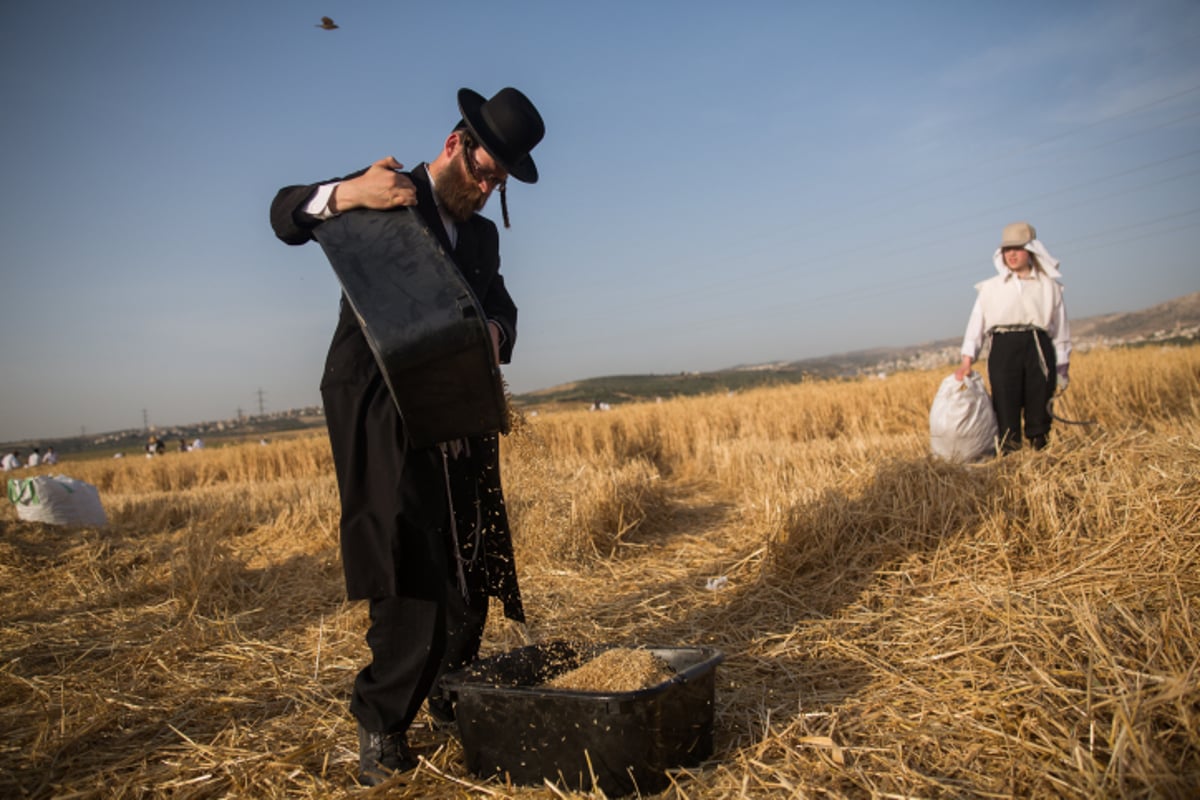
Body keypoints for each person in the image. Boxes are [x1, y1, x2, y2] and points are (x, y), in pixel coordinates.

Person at [269, 86, 545, 786]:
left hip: (456, 408)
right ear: (455, 145)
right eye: (483, 172)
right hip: (381, 407)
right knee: (410, 560)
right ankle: (382, 724)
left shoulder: (480, 237)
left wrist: (494, 332)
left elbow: (504, 310)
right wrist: (345, 192)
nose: (487, 188)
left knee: (472, 551)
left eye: (498, 183)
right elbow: (284, 213)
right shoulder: (386, 192)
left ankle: (456, 688)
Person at [955, 222, 1071, 452]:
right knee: (1005, 404)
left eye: (1017, 249)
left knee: (1039, 402)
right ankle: (1010, 459)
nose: (1012, 255)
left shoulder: (1050, 287)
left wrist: (1062, 367)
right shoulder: (990, 288)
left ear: (1032, 251)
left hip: (1039, 346)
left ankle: (1041, 453)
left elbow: (1061, 330)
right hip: (1003, 347)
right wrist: (967, 361)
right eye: (1007, 250)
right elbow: (976, 324)